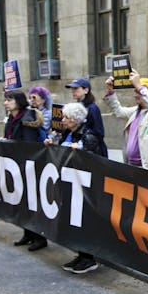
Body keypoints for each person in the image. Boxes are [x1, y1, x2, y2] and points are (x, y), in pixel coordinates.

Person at [45, 102, 103, 274]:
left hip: (83, 188)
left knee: (83, 222)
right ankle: (81, 254)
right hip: (70, 184)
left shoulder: (88, 136)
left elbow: (93, 160)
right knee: (73, 221)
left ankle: (88, 258)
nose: (63, 120)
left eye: (67, 117)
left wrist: (81, 150)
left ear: (76, 119)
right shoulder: (68, 134)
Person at [2, 90, 47, 251]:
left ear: (18, 101)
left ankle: (39, 237)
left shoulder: (27, 118)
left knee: (33, 203)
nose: (6, 103)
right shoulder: (12, 118)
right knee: (23, 203)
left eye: (9, 100)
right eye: (5, 100)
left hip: (29, 166)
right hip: (18, 166)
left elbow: (28, 145)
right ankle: (28, 233)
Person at [103, 70, 148, 170]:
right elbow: (118, 111)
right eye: (135, 90)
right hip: (132, 166)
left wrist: (139, 86)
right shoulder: (136, 111)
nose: (135, 94)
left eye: (138, 91)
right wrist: (111, 91)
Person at [65, 77, 108, 157]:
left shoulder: (92, 108)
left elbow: (98, 133)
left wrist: (82, 144)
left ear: (86, 90)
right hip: (76, 149)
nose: (73, 91)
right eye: (72, 89)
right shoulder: (75, 107)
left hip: (92, 153)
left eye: (76, 88)